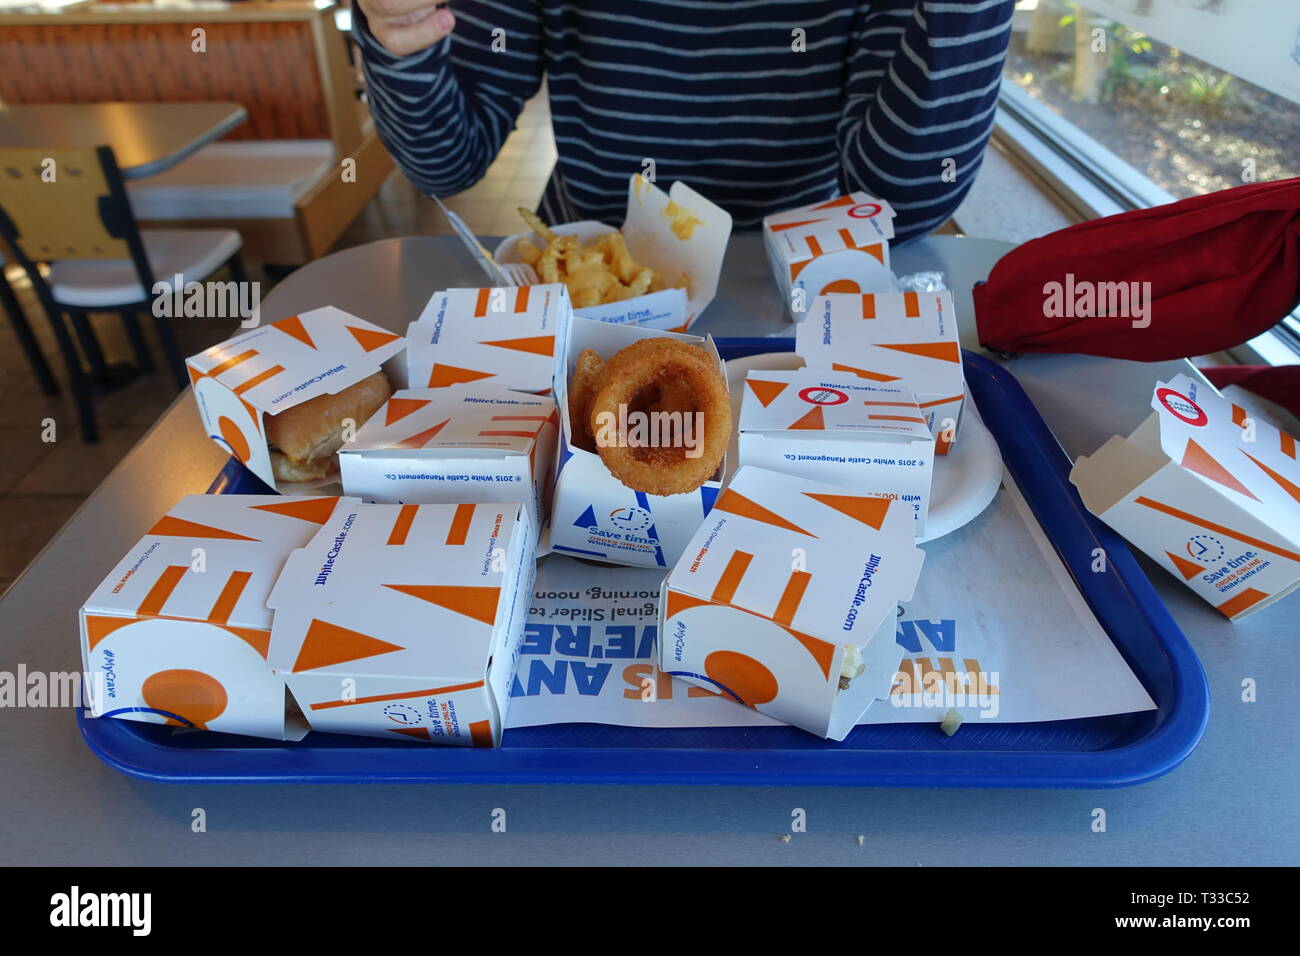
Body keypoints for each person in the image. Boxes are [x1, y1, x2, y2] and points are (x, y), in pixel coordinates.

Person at [352, 1, 1016, 243]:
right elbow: (449, 160)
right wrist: (399, 32)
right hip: (587, 280)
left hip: (799, 286)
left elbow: (896, 204)